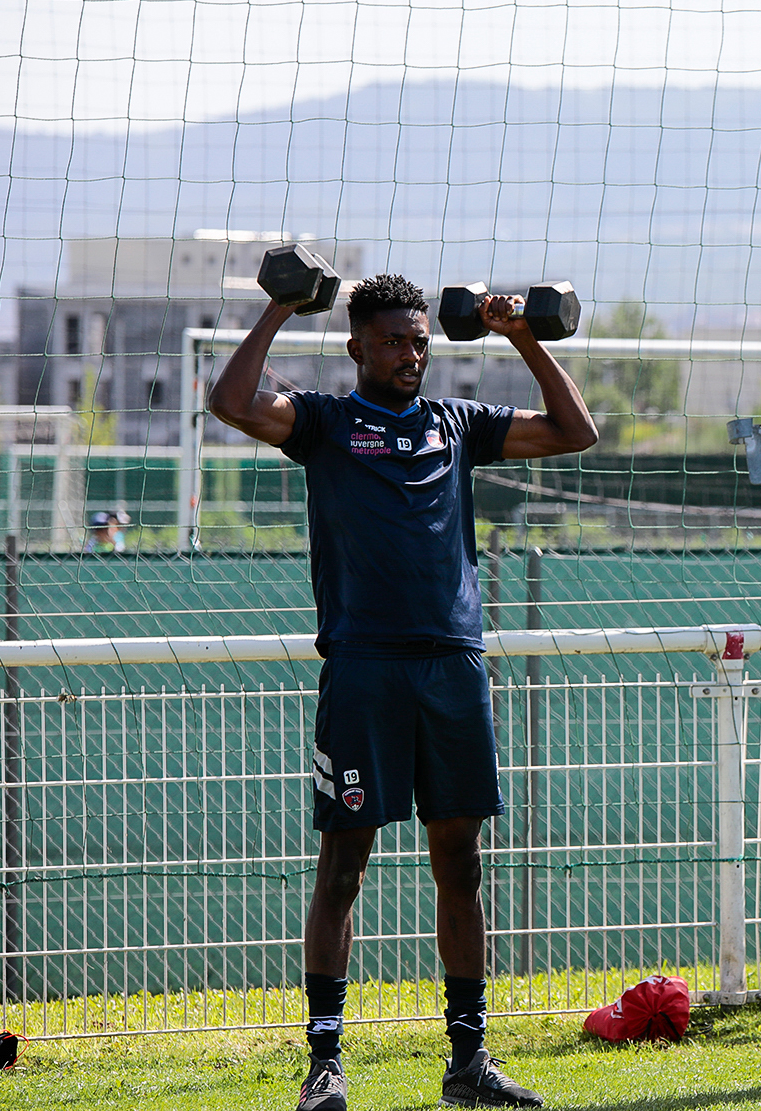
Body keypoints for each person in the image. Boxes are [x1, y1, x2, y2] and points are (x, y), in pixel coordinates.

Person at [209, 275, 597, 1111]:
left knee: (460, 864)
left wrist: (521, 336)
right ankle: (324, 1064)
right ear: (357, 346)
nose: (410, 354)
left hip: (454, 667)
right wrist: (281, 305)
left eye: (419, 340)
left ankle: (467, 1061)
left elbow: (577, 430)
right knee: (344, 864)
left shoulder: (456, 426)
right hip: (364, 670)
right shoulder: (324, 423)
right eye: (392, 341)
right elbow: (232, 400)